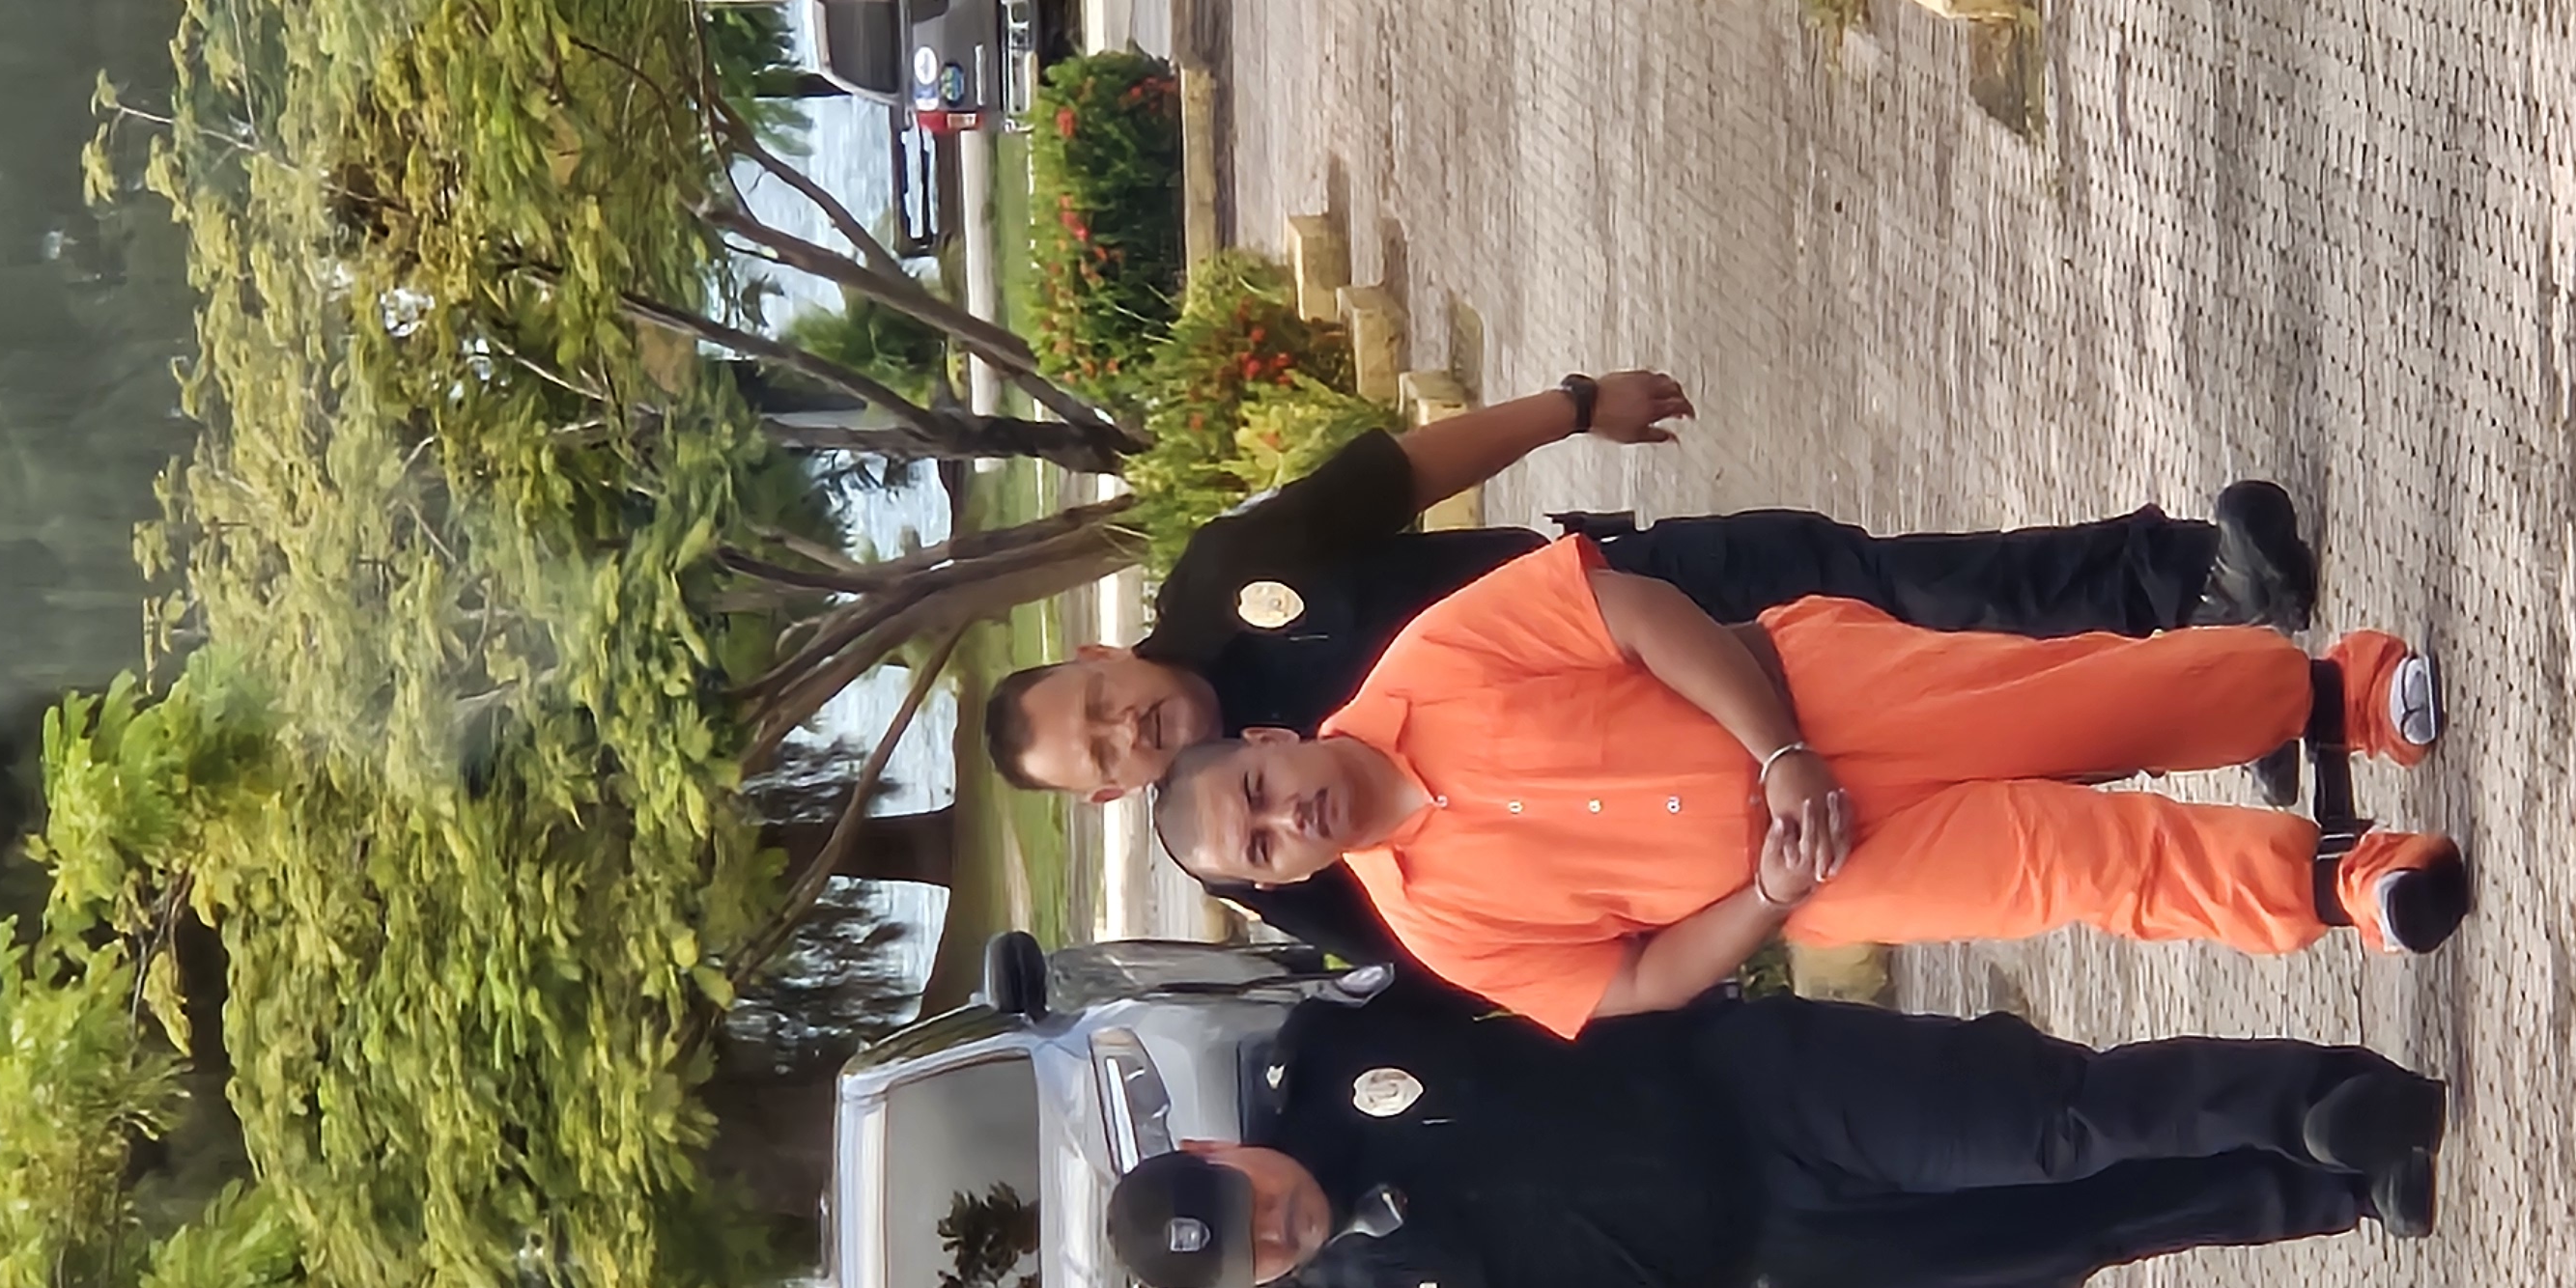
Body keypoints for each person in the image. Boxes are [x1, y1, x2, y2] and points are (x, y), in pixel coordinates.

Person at [988, 372, 2317, 959]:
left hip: (1643, 608)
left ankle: (2187, 579)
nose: (1127, 731)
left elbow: (1393, 475)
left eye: (1100, 705)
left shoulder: (1224, 579)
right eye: (1100, 755)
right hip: (1706, 823)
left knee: (1909, 592)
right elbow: (1452, 949)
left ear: (1102, 655)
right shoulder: (1257, 849)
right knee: (2000, 806)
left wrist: (1573, 407)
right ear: (1106, 795)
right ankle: (2213, 703)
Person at [1101, 984, 2449, 1288]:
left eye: (1245, 1201)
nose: (1272, 1228)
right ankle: (2327, 1192)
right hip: (1769, 1274)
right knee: (2064, 1236)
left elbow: (1508, 953)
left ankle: (2321, 1101)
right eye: (1250, 1254)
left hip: (1752, 1088)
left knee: (2047, 1122)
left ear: (1216, 1152)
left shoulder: (1330, 1049)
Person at [1152, 531, 2469, 1037]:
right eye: (1260, 847)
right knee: (2078, 862)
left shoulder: (1429, 659)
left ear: (1266, 735)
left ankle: (2331, 696)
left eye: (1256, 788)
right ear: (1280, 879)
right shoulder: (1434, 925)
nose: (1283, 818)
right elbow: (1636, 982)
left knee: (2091, 701)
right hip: (1829, 870)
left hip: (1816, 698)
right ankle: (2343, 887)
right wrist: (1771, 895)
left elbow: (1635, 612)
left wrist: (1780, 752)